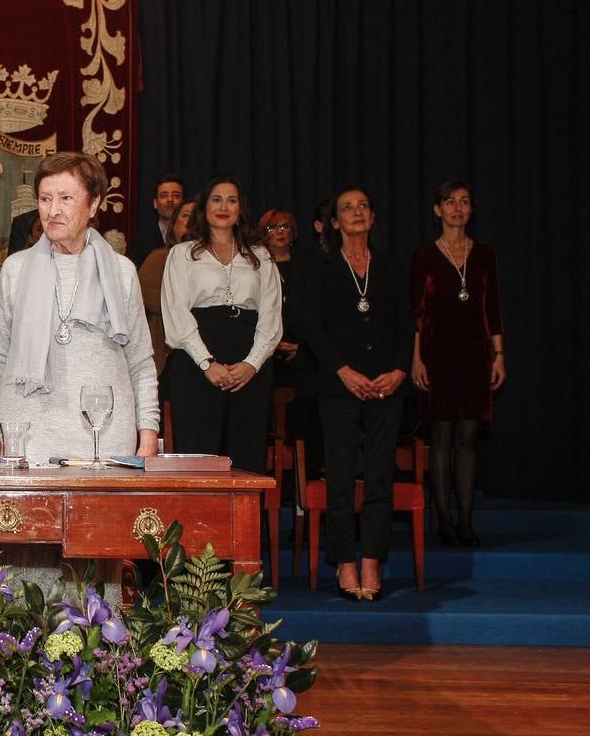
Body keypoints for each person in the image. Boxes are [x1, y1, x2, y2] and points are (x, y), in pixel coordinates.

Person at [0, 151, 160, 465]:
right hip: (25, 440)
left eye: (66, 198)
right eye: (44, 199)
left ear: (93, 204)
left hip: (105, 440)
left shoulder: (122, 272)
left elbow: (140, 360)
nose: (53, 210)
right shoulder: (15, 269)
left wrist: (148, 434)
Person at [304, 187, 412, 601]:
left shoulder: (388, 267)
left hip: (388, 385)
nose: (356, 212)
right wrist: (343, 371)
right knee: (342, 479)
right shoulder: (323, 267)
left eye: (363, 206)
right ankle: (345, 563)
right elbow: (311, 326)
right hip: (339, 385)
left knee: (381, 476)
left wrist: (400, 370)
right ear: (334, 222)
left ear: (372, 217)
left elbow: (407, 322)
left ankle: (373, 562)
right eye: (347, 208)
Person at [160, 173, 282, 472]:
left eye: (231, 200)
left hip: (249, 363)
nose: (223, 206)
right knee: (200, 459)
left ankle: (248, 521)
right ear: (204, 207)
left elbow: (271, 314)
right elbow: (175, 311)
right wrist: (206, 363)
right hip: (196, 362)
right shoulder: (182, 254)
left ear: (241, 208)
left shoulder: (260, 255)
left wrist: (252, 364)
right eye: (216, 199)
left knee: (247, 456)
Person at [410, 180, 505, 547]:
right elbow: (416, 312)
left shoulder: (484, 254)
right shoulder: (424, 255)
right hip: (436, 351)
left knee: (467, 436)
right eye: (450, 202)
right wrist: (416, 357)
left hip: (474, 353)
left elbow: (492, 307)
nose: (458, 208)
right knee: (442, 436)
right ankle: (444, 521)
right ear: (437, 210)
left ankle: (466, 520)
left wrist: (499, 354)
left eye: (464, 201)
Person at [138, 199, 195, 376]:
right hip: (167, 349)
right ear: (174, 224)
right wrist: (185, 305)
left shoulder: (215, 262)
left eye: (197, 216)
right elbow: (143, 294)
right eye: (186, 216)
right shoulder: (159, 258)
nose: (192, 222)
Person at [257, 208, 302, 385]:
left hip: (301, 352)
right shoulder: (256, 269)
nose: (280, 231)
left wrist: (302, 347)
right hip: (265, 354)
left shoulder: (306, 266)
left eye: (285, 226)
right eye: (272, 228)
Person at [129, 174, 186, 268]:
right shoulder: (141, 240)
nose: (170, 200)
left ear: (183, 202)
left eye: (176, 195)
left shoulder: (194, 236)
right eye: (164, 196)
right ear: (155, 203)